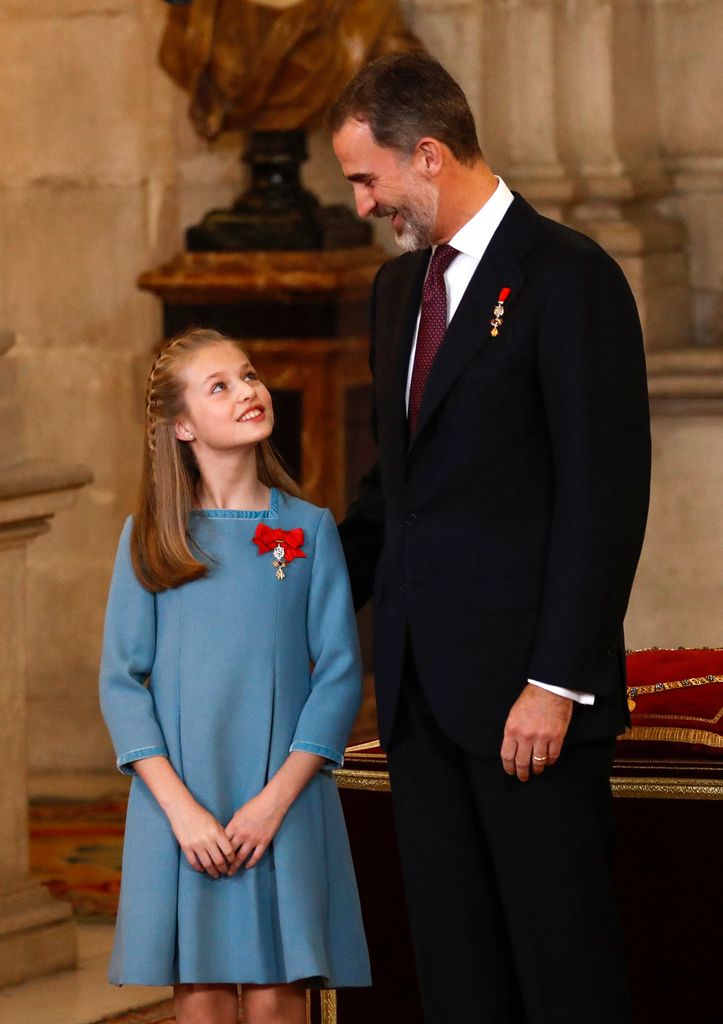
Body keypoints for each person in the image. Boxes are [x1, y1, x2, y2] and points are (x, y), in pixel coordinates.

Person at [328, 53, 651, 1023]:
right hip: (423, 702)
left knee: (564, 977)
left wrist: (557, 681)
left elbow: (605, 495)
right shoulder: (397, 296)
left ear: (427, 155)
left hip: (530, 708)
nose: (360, 205)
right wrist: (289, 597)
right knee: (459, 978)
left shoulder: (569, 277)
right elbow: (398, 493)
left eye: (365, 178)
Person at [99, 328, 370, 1024]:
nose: (248, 391)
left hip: (282, 798)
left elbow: (338, 673)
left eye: (248, 375)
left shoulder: (308, 530)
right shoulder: (151, 538)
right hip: (182, 804)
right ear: (182, 425)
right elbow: (122, 683)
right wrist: (182, 813)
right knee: (202, 990)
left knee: (281, 990)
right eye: (219, 385)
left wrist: (273, 803)